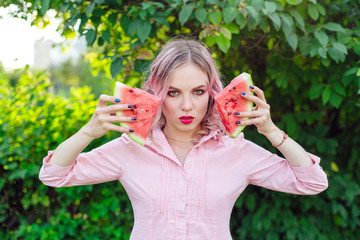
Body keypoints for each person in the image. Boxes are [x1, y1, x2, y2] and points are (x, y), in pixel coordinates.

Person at [39, 38, 328, 239]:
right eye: (174, 93)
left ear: (213, 92)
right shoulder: (131, 149)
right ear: (158, 93)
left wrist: (273, 133)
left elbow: (312, 182)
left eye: (198, 92)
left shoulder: (236, 151)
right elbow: (53, 175)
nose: (187, 106)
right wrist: (89, 131)